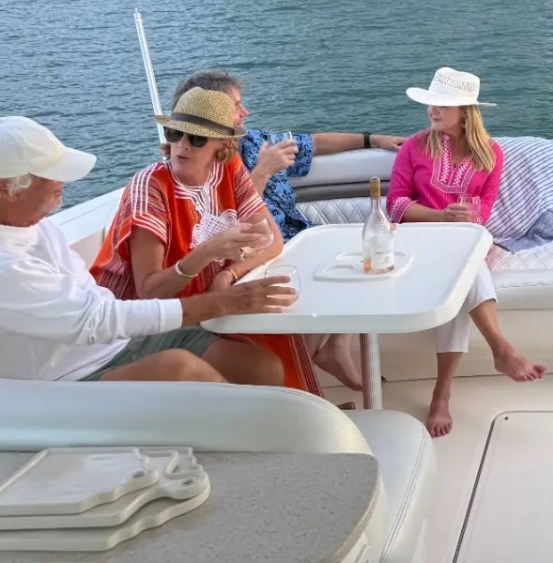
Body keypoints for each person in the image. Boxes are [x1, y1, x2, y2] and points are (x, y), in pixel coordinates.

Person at [0, 116, 297, 383]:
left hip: (120, 341)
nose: (61, 182)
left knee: (261, 367)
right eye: (51, 174)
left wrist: (228, 282)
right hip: (68, 379)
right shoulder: (8, 266)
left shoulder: (38, 227)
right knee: (180, 369)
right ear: (6, 189)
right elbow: (95, 319)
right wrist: (224, 302)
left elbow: (96, 305)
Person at [169, 70, 405, 393]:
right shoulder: (207, 162)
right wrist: (263, 171)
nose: (245, 112)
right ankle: (305, 396)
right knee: (320, 282)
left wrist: (371, 139)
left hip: (294, 242)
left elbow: (311, 144)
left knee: (357, 258)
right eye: (237, 105)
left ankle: (332, 354)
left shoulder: (253, 141)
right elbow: (224, 221)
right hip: (254, 259)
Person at [90, 88, 321, 393]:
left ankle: (302, 413)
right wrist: (207, 252)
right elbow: (148, 291)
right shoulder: (151, 187)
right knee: (264, 365)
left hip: (202, 303)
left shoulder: (229, 168)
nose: (181, 145)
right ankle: (282, 421)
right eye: (174, 134)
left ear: (223, 145)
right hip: (141, 322)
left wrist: (228, 273)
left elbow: (271, 240)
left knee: (276, 342)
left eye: (196, 139)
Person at [387, 67, 545, 437]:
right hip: (421, 240)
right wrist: (441, 215)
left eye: (443, 104)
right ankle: (501, 349)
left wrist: (463, 220)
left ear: (465, 111)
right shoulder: (414, 146)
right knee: (465, 273)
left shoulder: (491, 153)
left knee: (464, 271)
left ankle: (443, 393)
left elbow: (483, 210)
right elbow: (394, 205)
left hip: (467, 241)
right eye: (432, 103)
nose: (433, 110)